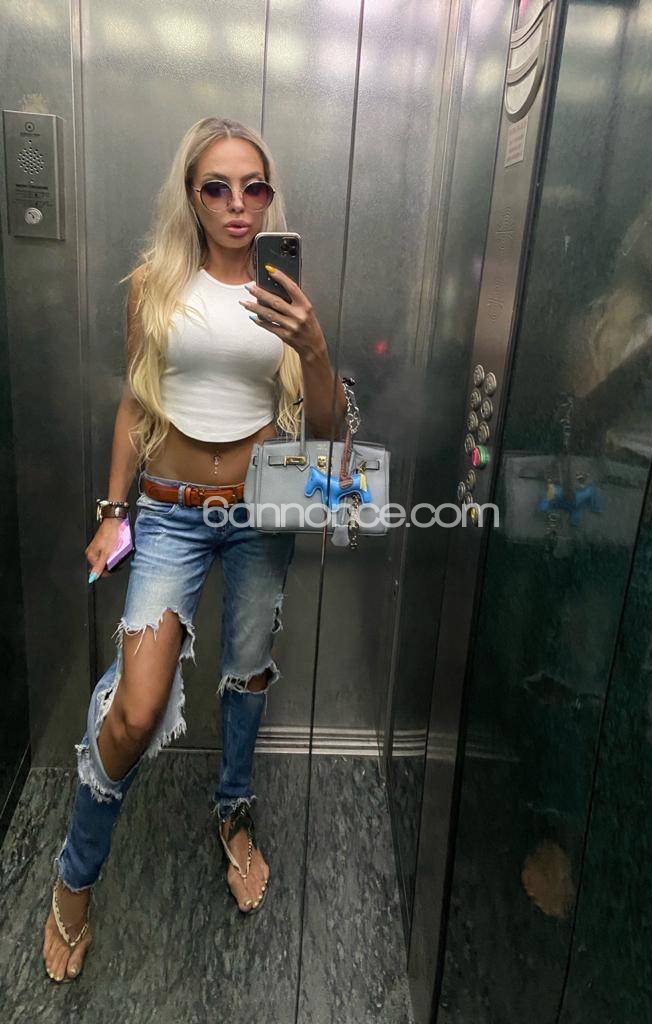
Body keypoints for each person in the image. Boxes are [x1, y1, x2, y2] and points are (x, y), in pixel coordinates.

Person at [43, 116, 348, 983]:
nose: (238, 204)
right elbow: (135, 404)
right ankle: (73, 874)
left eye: (254, 187)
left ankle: (234, 809)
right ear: (192, 195)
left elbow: (330, 434)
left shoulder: (286, 295)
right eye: (217, 187)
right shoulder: (155, 285)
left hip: (261, 513)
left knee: (247, 674)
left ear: (269, 195)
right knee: (135, 710)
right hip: (170, 513)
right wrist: (113, 511)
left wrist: (313, 346)